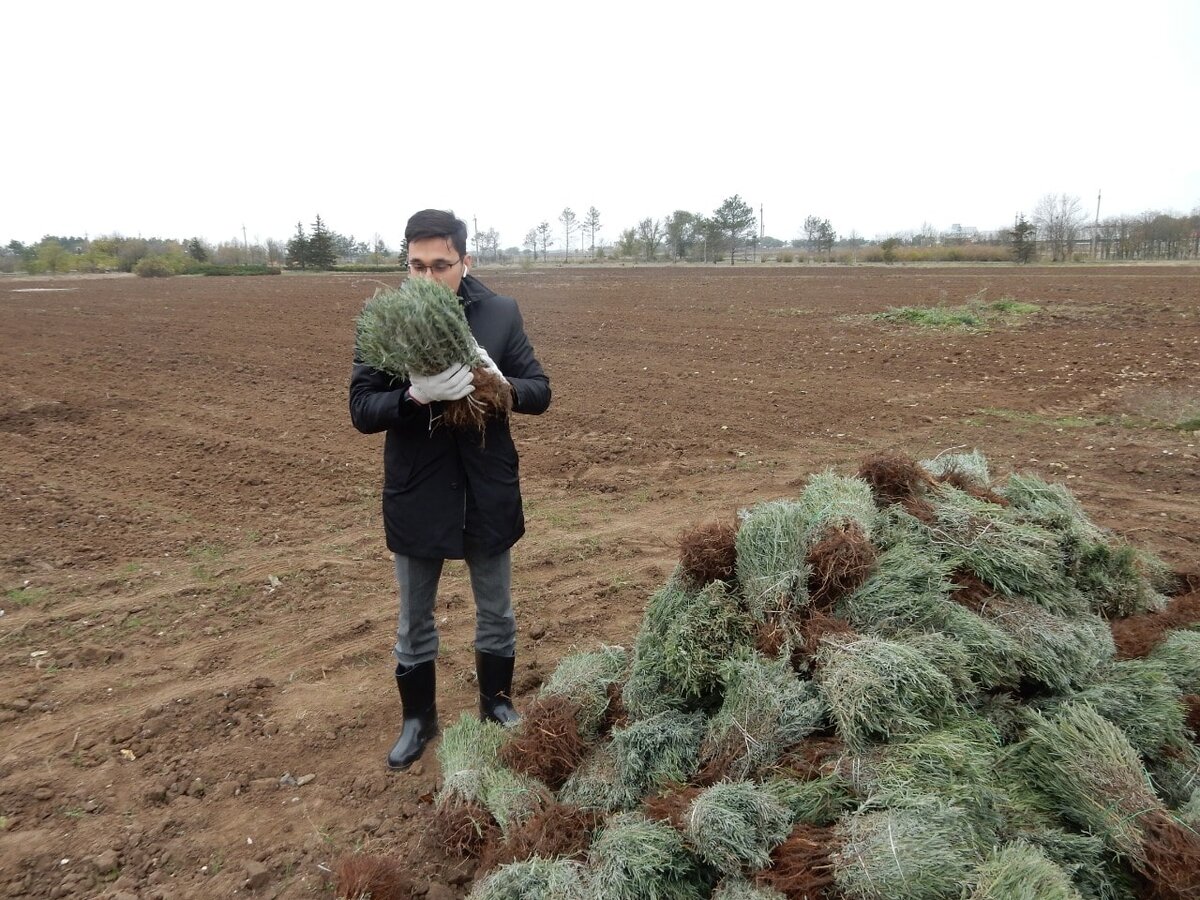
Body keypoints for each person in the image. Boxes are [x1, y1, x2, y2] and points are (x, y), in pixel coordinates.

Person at [349, 209, 551, 771]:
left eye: (441, 264)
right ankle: (419, 720)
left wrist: (501, 384)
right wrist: (414, 396)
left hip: (486, 488)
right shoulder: (386, 323)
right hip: (418, 491)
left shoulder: (501, 313)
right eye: (417, 265)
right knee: (414, 618)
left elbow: (541, 390)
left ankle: (496, 706)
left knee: (497, 611)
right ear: (406, 264)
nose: (428, 276)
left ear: (466, 261)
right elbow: (361, 409)